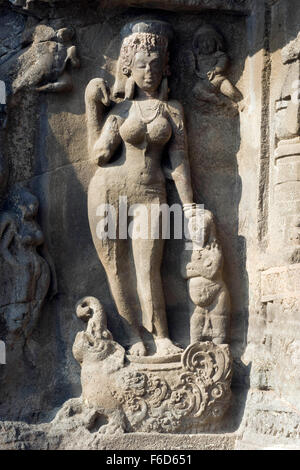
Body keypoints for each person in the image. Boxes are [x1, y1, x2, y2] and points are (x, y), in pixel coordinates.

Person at [85, 20, 194, 356]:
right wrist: (93, 107)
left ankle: (161, 337)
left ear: (166, 68)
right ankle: (134, 337)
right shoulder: (119, 111)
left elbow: (179, 162)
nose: (149, 72)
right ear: (128, 68)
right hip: (109, 192)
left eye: (156, 65)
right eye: (142, 65)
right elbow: (99, 155)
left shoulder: (173, 110)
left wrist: (189, 207)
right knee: (117, 268)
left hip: (151, 194)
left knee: (148, 266)